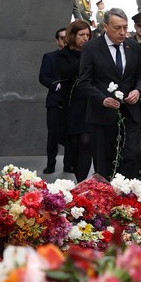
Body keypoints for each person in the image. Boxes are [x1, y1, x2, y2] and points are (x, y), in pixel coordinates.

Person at [77, 8, 141, 179]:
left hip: (130, 112)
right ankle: (106, 193)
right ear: (106, 26)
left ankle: (128, 192)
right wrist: (103, 99)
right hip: (103, 115)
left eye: (125, 27)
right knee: (104, 162)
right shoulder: (91, 47)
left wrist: (138, 90)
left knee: (132, 155)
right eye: (117, 28)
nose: (122, 32)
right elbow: (84, 82)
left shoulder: (133, 47)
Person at [55, 20, 93, 182]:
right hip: (71, 105)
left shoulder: (92, 53)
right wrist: (86, 57)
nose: (85, 38)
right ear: (72, 36)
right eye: (81, 35)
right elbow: (66, 72)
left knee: (86, 141)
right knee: (75, 143)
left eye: (88, 35)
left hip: (89, 103)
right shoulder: (63, 55)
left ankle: (82, 181)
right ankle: (79, 179)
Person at [39, 29, 66, 174]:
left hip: (71, 102)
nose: (66, 41)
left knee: (71, 134)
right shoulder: (49, 57)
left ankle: (69, 164)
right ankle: (51, 164)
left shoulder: (79, 56)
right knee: (53, 134)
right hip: (55, 101)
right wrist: (56, 85)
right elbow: (43, 77)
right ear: (57, 40)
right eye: (63, 38)